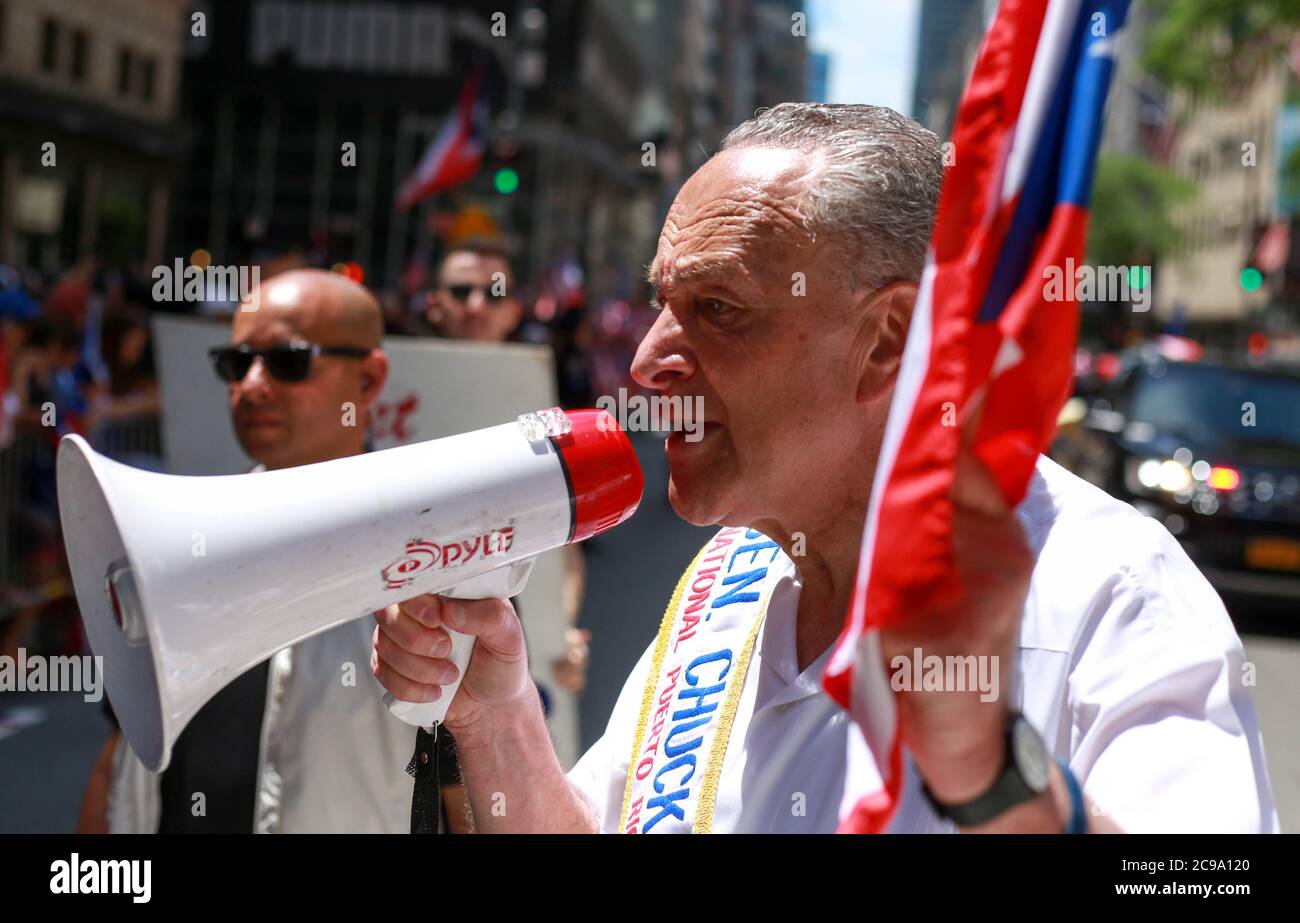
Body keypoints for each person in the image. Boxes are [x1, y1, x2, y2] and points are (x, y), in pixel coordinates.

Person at [370, 103, 1277, 833]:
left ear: (886, 339)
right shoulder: (733, 571)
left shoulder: (1109, 587)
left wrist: (1002, 784)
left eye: (717, 307)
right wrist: (494, 711)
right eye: (662, 302)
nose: (647, 360)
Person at [79, 268, 465, 833]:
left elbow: (471, 794)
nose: (253, 384)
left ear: (368, 379)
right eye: (236, 364)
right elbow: (120, 758)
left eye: (288, 360)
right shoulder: (179, 545)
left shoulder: (445, 566)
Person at [425, 237, 592, 699]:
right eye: (461, 292)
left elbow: (565, 545)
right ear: (434, 304)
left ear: (514, 309)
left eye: (493, 293)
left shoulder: (540, 409)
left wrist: (561, 632)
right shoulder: (384, 398)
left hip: (502, 650)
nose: (477, 305)